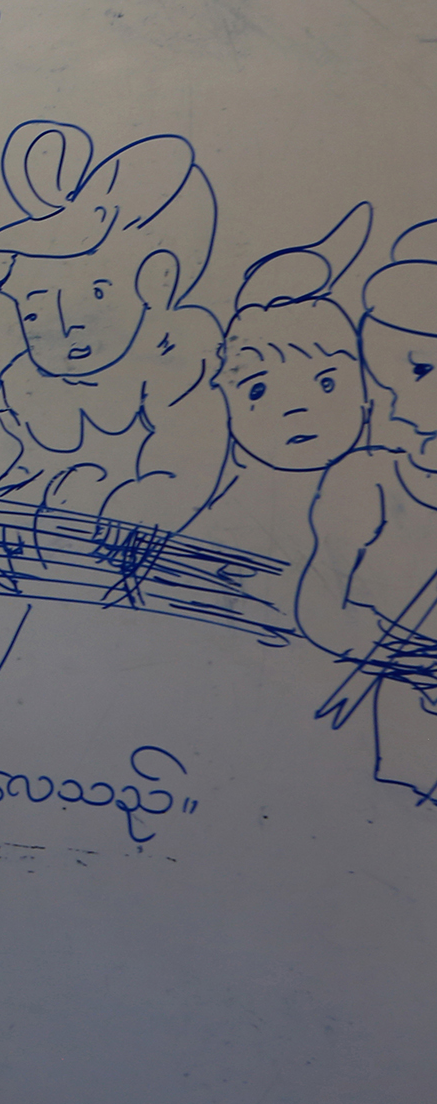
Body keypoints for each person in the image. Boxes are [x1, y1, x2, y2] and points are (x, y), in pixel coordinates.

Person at [0, 121, 227, 535]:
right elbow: (31, 462)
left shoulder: (174, 360)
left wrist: (131, 519)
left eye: (95, 298)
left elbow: (182, 468)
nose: (63, 329)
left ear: (154, 283)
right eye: (34, 312)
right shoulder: (26, 384)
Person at [295, 220, 437, 803]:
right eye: (387, 383)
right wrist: (404, 658)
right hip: (410, 751)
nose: (401, 406)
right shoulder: (367, 478)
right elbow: (320, 603)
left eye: (422, 372)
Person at [184, 202, 373, 590]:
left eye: (327, 382)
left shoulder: (378, 496)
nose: (297, 409)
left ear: (366, 393)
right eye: (258, 388)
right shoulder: (229, 515)